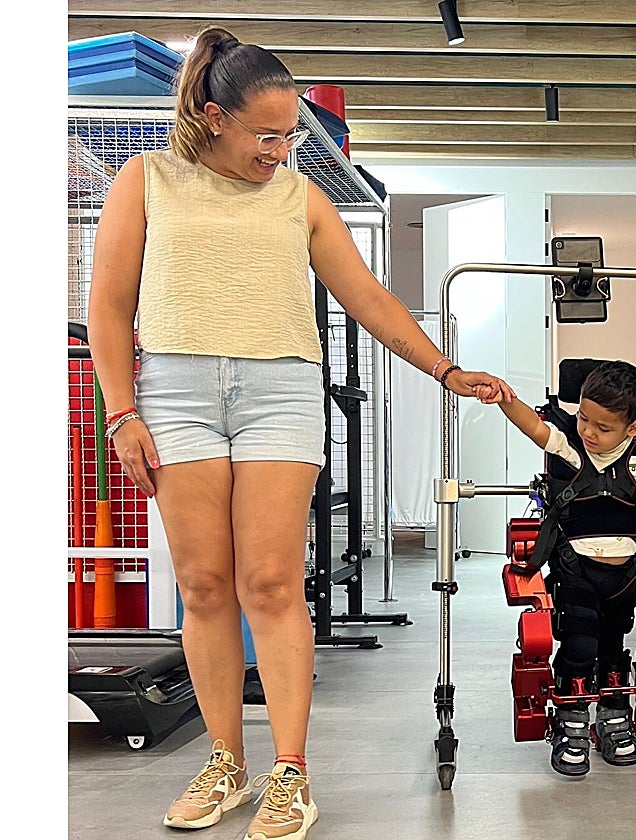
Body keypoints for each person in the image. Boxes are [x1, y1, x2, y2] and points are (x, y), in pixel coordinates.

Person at [86, 26, 512, 840]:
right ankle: (225, 763)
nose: (281, 151)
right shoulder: (146, 181)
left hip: (280, 390)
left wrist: (447, 371)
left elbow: (372, 300)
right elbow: (108, 305)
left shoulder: (299, 198)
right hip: (173, 392)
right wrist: (121, 411)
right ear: (214, 117)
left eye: (290, 135)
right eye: (267, 135)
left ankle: (290, 772)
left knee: (274, 584)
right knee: (206, 586)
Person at [481, 360, 636, 776]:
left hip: (623, 579)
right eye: (583, 417)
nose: (589, 431)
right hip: (574, 570)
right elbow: (534, 426)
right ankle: (572, 723)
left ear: (633, 428)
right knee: (578, 646)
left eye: (603, 427)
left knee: (614, 650)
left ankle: (614, 717)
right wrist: (505, 399)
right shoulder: (568, 444)